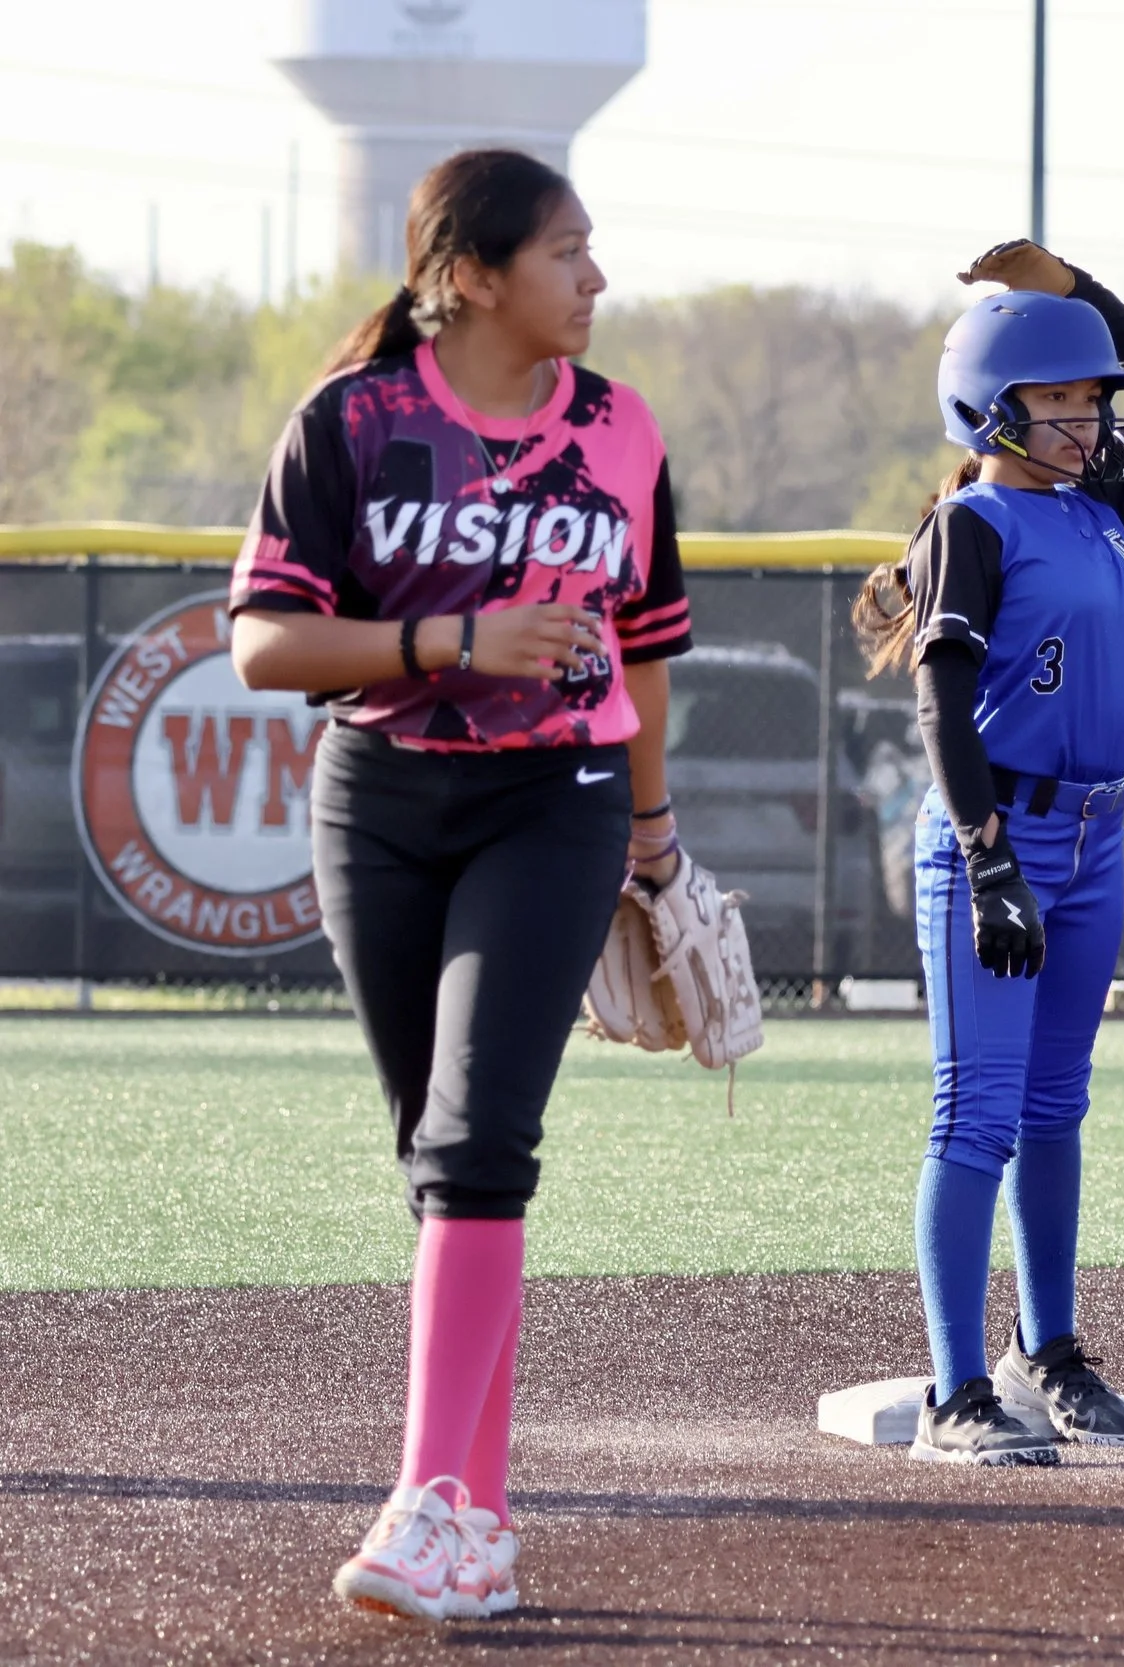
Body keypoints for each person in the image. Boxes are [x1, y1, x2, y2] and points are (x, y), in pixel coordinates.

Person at [227, 149, 694, 1620]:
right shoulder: (354, 420)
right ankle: (476, 1523)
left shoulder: (621, 427)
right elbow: (264, 646)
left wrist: (654, 834)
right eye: (566, 251)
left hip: (557, 797)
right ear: (473, 274)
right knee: (439, 1157)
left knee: (481, 1140)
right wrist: (449, 641)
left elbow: (645, 654)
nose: (596, 276)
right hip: (379, 799)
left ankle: (425, 1502)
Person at [851, 240, 1124, 1465]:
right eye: (1053, 398)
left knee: (1057, 1106)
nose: (1084, 419)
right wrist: (989, 856)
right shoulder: (975, 521)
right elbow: (941, 705)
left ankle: (1044, 1352)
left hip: (1096, 836)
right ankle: (957, 1391)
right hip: (999, 835)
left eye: (1088, 398)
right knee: (978, 1114)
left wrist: (1074, 292)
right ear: (987, 408)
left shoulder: (1100, 498)